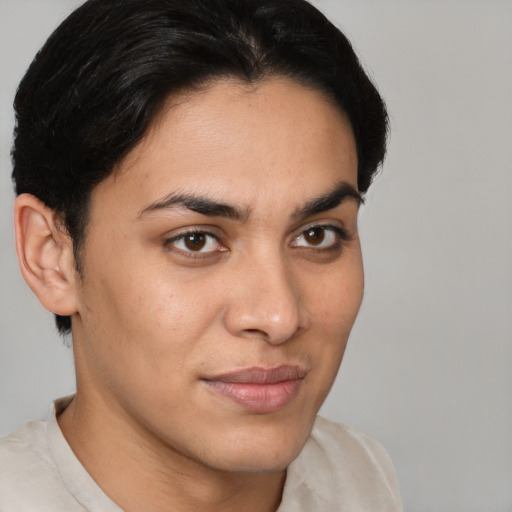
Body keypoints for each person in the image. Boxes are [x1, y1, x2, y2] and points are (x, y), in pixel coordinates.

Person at [0, 0, 403, 510]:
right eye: (196, 240)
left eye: (318, 235)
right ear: (52, 256)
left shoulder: (359, 475)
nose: (278, 316)